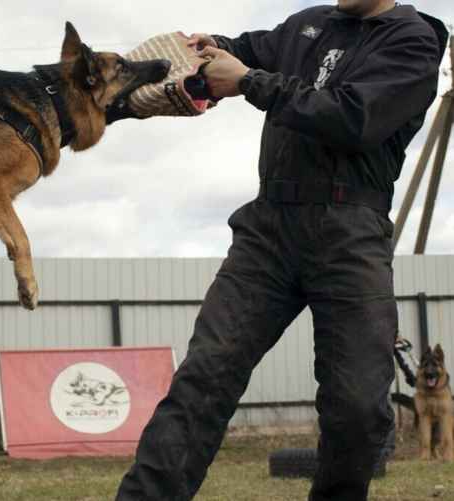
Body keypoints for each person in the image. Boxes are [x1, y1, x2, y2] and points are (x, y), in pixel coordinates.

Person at [115, 1, 449, 500]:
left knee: (357, 408)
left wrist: (250, 82)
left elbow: (356, 118)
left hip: (350, 232)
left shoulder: (412, 39)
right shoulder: (307, 25)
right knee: (203, 378)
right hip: (268, 228)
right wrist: (205, 50)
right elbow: (250, 50)